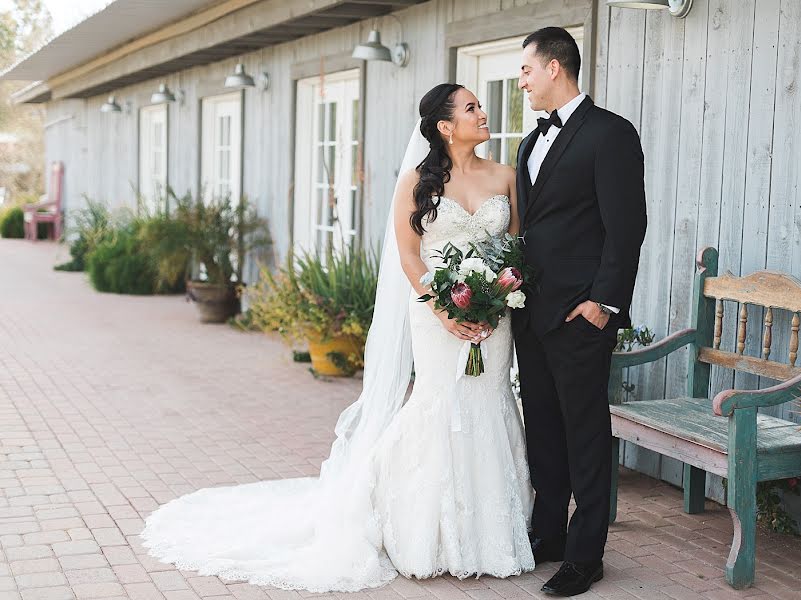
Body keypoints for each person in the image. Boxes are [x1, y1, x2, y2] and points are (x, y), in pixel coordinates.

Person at [139, 83, 535, 592]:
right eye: (472, 108)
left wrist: (500, 295)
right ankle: (426, 530)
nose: (483, 114)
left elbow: (518, 248)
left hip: (494, 316)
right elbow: (410, 257)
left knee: (491, 400)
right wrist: (442, 310)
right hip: (437, 313)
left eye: (481, 106)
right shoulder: (417, 180)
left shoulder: (506, 176)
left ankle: (493, 533)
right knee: (441, 403)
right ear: (443, 125)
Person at [511, 26, 648, 597]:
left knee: (585, 430)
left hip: (582, 315)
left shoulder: (611, 134)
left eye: (525, 70)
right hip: (531, 310)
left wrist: (604, 303)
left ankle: (585, 553)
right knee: (541, 424)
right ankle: (549, 533)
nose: (520, 81)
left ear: (554, 68)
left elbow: (627, 226)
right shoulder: (528, 142)